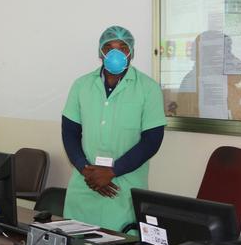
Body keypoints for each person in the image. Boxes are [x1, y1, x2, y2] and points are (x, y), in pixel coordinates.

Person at [61, 26, 167, 231]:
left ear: (131, 52)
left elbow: (152, 141)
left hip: (123, 188)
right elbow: (70, 133)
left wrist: (113, 171)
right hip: (85, 185)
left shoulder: (148, 88)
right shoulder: (81, 86)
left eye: (122, 47)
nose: (115, 53)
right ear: (100, 53)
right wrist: (85, 170)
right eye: (109, 47)